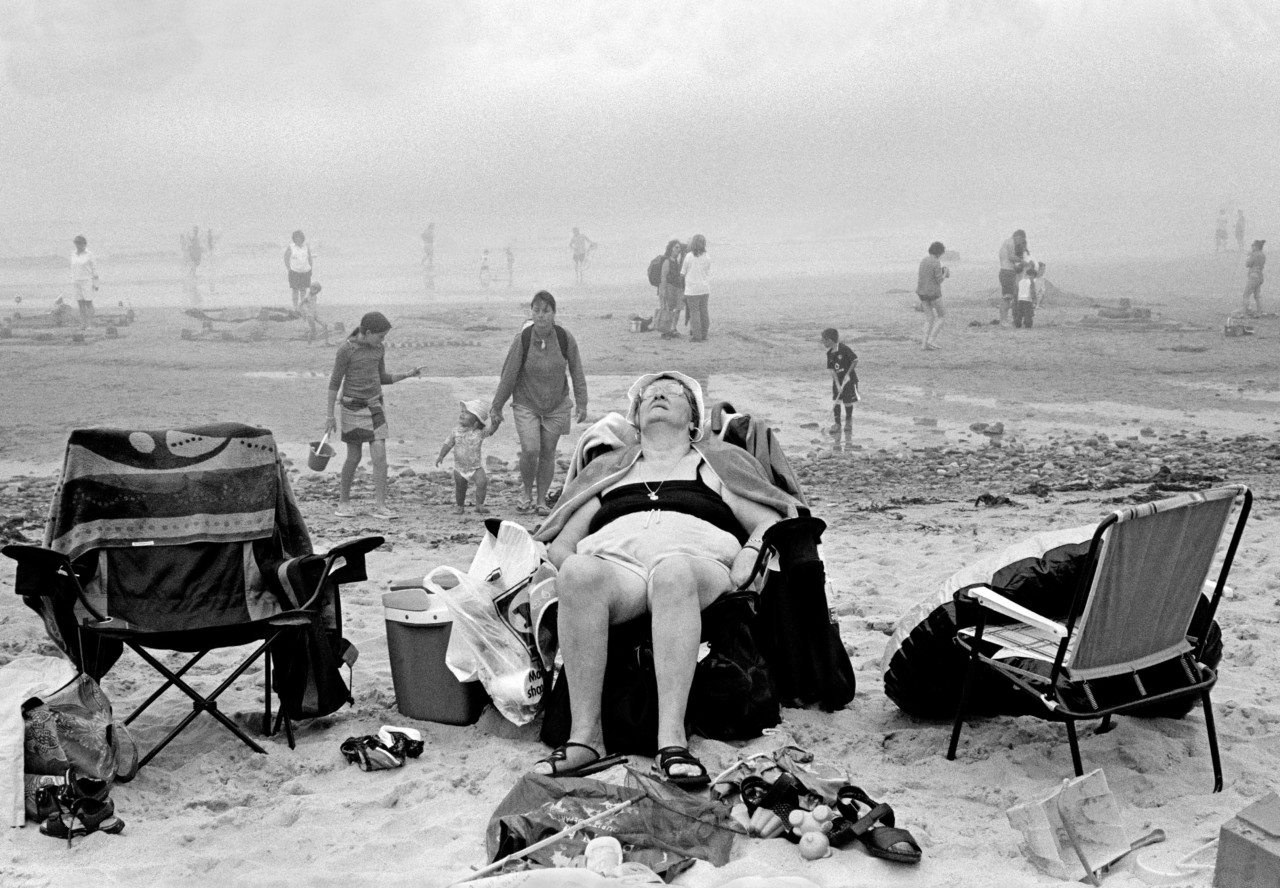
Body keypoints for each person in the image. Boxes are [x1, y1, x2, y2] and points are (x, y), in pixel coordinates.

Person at [529, 371, 798, 784]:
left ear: (693, 420)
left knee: (672, 572)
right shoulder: (609, 472)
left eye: (673, 393)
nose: (658, 395)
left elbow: (769, 520)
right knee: (579, 571)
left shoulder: (715, 466)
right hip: (622, 571)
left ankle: (671, 740)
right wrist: (572, 579)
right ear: (636, 419)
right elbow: (562, 544)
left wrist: (748, 555)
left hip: (697, 563)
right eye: (649, 395)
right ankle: (585, 739)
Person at [488, 291, 588, 516]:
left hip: (557, 404)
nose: (541, 315)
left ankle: (541, 500)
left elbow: (576, 370)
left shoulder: (564, 338)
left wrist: (582, 403)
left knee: (548, 452)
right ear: (531, 312)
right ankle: (526, 491)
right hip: (526, 402)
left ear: (554, 313)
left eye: (546, 311)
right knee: (531, 449)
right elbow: (509, 375)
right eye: (536, 310)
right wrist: (497, 406)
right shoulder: (523, 339)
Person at [325, 312, 423, 519]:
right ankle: (343, 502)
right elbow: (334, 383)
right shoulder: (346, 350)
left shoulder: (379, 349)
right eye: (380, 336)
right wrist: (329, 416)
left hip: (375, 405)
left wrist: (407, 374)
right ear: (368, 332)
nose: (382, 340)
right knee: (354, 457)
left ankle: (380, 506)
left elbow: (381, 377)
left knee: (380, 455)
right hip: (352, 407)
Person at [436, 400, 493, 515]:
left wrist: (496, 423)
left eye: (466, 413)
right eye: (462, 411)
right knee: (460, 488)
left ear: (476, 420)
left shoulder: (480, 432)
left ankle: (479, 505)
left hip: (476, 467)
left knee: (482, 483)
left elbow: (491, 431)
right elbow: (448, 443)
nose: (462, 414)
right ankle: (460, 506)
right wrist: (441, 455)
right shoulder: (456, 431)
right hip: (459, 468)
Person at [820, 329, 859, 437]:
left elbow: (855, 360)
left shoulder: (844, 348)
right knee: (836, 400)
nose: (823, 342)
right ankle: (837, 424)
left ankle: (848, 423)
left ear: (830, 340)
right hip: (838, 380)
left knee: (847, 401)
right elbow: (832, 370)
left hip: (849, 380)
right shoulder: (829, 354)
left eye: (824, 340)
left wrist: (848, 374)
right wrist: (837, 384)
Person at [916, 241, 948, 349]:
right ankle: (931, 340)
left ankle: (924, 344)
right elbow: (939, 280)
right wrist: (945, 273)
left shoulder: (923, 260)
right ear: (939, 252)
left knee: (929, 318)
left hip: (922, 293)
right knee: (942, 316)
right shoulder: (936, 262)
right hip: (933, 293)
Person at [681, 234, 712, 342]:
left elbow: (683, 272)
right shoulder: (707, 256)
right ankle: (704, 334)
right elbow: (707, 271)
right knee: (704, 312)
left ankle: (697, 336)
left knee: (694, 313)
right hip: (704, 288)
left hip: (692, 289)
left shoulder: (689, 256)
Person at [997, 230, 1028, 325]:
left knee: (1008, 296)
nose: (1020, 243)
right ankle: (1003, 320)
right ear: (1018, 237)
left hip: (1005, 271)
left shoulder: (1005, 243)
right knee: (1007, 297)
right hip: (1007, 272)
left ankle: (1004, 319)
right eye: (1021, 240)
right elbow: (1011, 257)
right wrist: (1022, 261)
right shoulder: (1010, 243)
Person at [656, 240, 684, 338]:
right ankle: (665, 331)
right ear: (671, 248)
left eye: (679, 248)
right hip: (668, 288)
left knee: (677, 309)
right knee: (667, 310)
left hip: (676, 288)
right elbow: (663, 277)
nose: (678, 249)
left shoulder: (677, 261)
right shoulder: (667, 261)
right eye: (676, 247)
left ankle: (673, 328)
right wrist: (663, 291)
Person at [70, 236, 98, 331]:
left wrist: (96, 283)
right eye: (76, 243)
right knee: (80, 303)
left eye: (80, 243)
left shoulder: (89, 254)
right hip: (76, 281)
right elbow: (73, 268)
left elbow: (94, 269)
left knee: (88, 302)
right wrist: (72, 280)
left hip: (87, 281)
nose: (78, 245)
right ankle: (83, 324)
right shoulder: (73, 254)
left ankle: (90, 324)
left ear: (84, 244)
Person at [285, 230, 313, 310]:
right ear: (294, 239)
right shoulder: (291, 247)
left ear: (302, 238)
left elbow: (310, 258)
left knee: (303, 290)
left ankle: (302, 306)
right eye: (296, 238)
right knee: (295, 290)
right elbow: (286, 258)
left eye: (299, 237)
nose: (298, 239)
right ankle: (295, 306)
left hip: (305, 271)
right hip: (294, 271)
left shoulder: (306, 247)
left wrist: (311, 268)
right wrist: (289, 269)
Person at [1013, 261, 1044, 328]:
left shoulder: (1021, 281)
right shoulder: (1032, 282)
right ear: (1032, 275)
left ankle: (1017, 324)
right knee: (1028, 313)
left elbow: (1018, 290)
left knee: (1019, 313)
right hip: (1028, 299)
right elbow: (1032, 290)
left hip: (1020, 299)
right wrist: (1034, 299)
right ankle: (1028, 324)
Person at [1242, 239, 1266, 317]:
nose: (1252, 247)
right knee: (1257, 295)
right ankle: (1260, 310)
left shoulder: (1254, 254)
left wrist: (1249, 256)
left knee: (1246, 294)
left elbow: (1248, 264)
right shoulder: (1262, 254)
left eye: (1253, 246)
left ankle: (1246, 309)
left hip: (1253, 276)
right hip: (1260, 276)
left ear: (1256, 247)